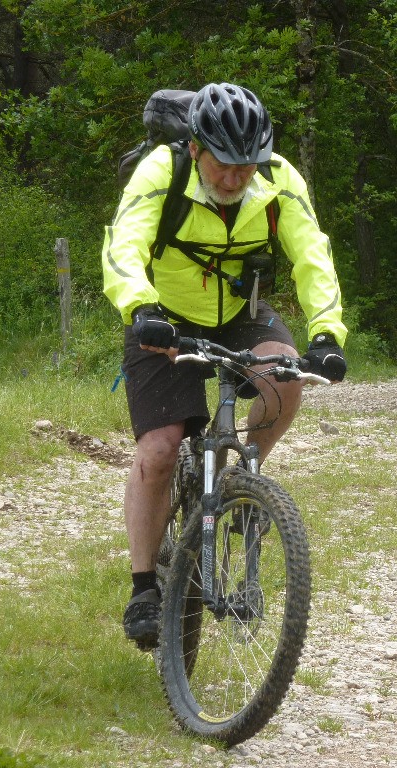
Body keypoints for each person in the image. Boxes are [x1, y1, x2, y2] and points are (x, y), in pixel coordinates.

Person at [102, 82, 348, 649]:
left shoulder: (280, 179)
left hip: (240, 312)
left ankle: (243, 480)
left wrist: (327, 334)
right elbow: (125, 245)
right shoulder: (161, 173)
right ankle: (143, 586)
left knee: (285, 377)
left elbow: (313, 255)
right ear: (195, 149)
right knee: (160, 448)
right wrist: (141, 308)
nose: (235, 179)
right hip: (162, 316)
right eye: (223, 165)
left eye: (247, 167)